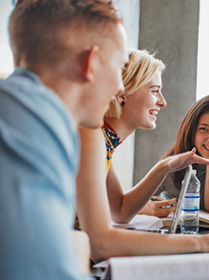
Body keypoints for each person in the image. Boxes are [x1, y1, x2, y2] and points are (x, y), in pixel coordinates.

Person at [0, 0, 128, 279]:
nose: (120, 86)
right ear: (91, 63)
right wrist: (78, 252)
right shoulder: (33, 121)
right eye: (120, 66)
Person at [76, 49, 209, 262]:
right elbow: (101, 243)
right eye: (155, 90)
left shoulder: (104, 142)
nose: (162, 102)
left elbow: (120, 211)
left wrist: (164, 167)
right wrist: (203, 242)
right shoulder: (92, 138)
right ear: (122, 93)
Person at [139, 94, 209, 215]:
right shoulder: (173, 163)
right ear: (192, 131)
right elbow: (129, 205)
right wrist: (148, 209)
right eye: (204, 129)